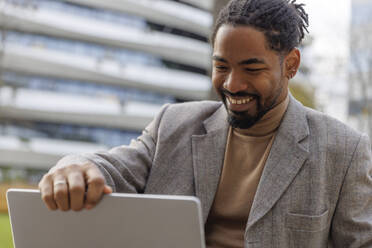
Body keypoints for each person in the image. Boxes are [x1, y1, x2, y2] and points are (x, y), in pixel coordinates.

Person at [38, 0, 372, 247]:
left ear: (291, 64)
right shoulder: (174, 124)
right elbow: (111, 168)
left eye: (251, 69)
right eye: (222, 66)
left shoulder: (343, 150)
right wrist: (74, 166)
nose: (232, 84)